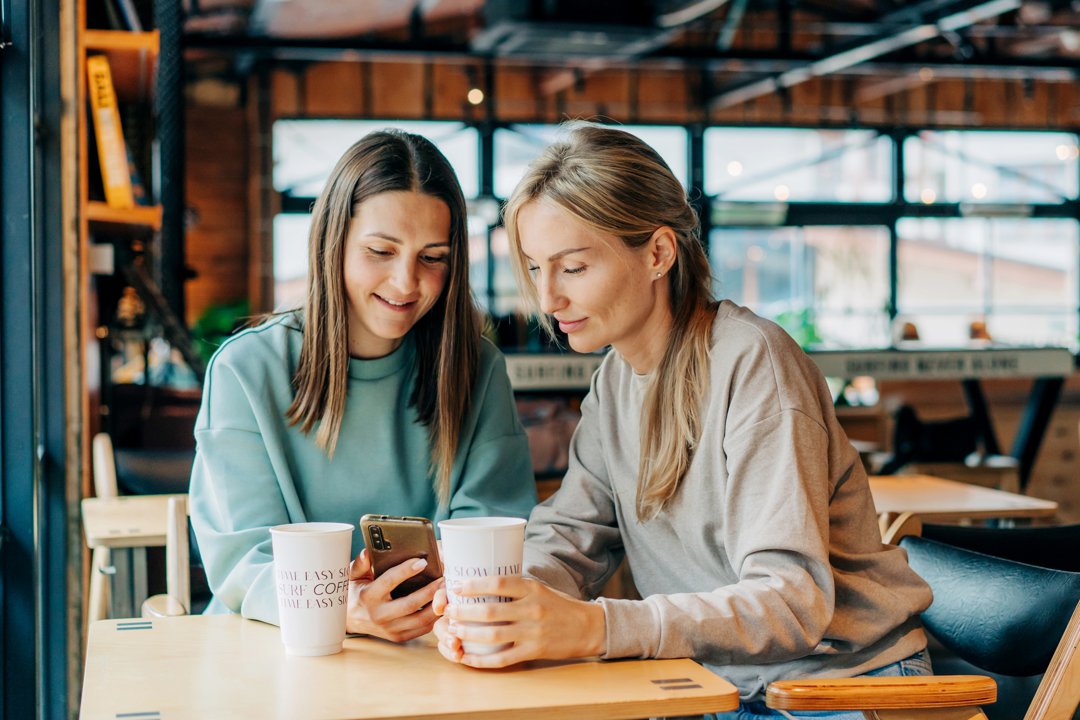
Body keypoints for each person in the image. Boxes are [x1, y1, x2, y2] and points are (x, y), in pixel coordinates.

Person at [433, 125, 933, 717]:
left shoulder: (752, 363)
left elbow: (793, 603)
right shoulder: (614, 381)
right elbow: (570, 541)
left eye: (572, 268)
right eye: (537, 269)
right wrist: (501, 603)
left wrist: (598, 628)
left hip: (840, 688)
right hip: (722, 685)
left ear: (658, 253)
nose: (547, 300)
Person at [190, 129, 536, 643]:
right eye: (380, 250)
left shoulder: (476, 367)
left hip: (433, 644)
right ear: (335, 242)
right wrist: (342, 610)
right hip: (275, 642)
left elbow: (492, 530)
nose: (405, 283)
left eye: (432, 257)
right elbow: (244, 560)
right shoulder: (246, 368)